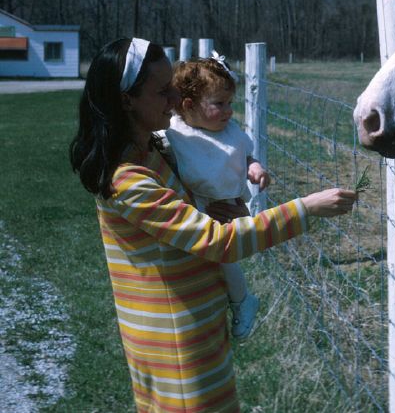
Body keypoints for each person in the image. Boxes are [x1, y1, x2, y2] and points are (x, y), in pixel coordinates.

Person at [70, 37, 356, 413]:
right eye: (162, 92)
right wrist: (307, 208)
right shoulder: (127, 178)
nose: (175, 100)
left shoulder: (154, 150)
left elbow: (191, 219)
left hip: (197, 321)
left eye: (172, 87)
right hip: (174, 340)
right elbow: (218, 243)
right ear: (127, 100)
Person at [162, 55, 266, 339]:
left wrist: (254, 169)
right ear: (188, 106)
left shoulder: (229, 131)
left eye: (230, 103)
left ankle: (242, 300)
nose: (229, 112)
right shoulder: (176, 133)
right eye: (219, 104)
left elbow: (245, 155)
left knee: (224, 259)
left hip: (224, 206)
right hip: (194, 204)